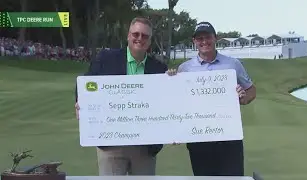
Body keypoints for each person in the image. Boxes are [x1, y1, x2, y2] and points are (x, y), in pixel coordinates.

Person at [74, 17, 175, 176]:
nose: (139, 38)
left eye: (145, 36)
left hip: (145, 147)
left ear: (149, 42)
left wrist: (173, 80)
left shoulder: (159, 69)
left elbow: (169, 102)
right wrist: (80, 101)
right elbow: (85, 84)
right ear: (128, 36)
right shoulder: (106, 59)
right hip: (111, 144)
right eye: (136, 34)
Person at [177, 22, 257, 176]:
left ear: (216, 38)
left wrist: (242, 98)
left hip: (229, 137)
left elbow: (251, 90)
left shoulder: (233, 64)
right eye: (200, 38)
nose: (204, 41)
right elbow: (177, 100)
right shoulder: (184, 69)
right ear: (194, 41)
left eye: (208, 37)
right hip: (198, 139)